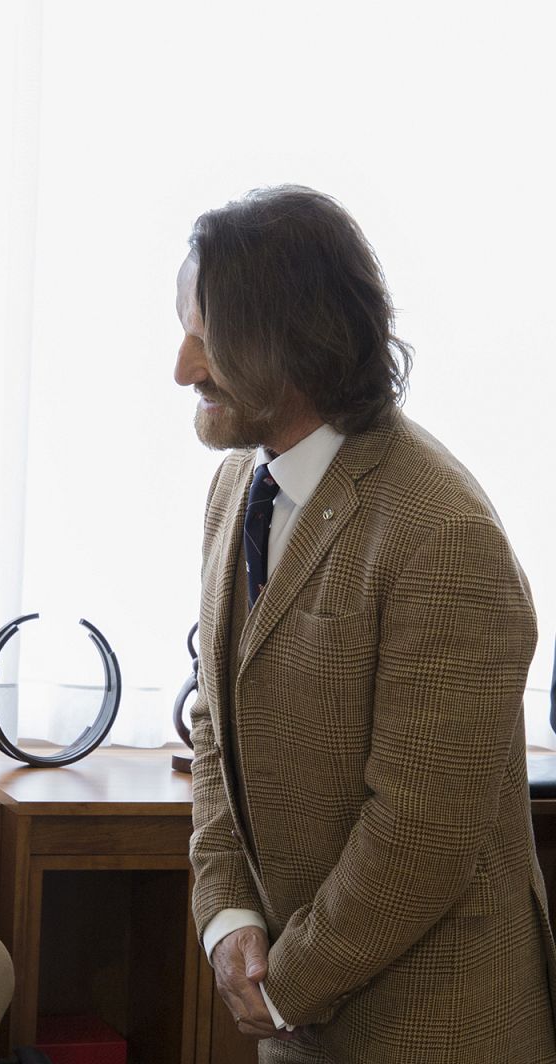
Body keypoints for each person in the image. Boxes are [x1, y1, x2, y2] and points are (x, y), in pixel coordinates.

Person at [177, 185, 556, 1063]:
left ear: (289, 340)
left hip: (435, 1026)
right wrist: (228, 916)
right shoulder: (240, 487)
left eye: (206, 334)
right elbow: (216, 725)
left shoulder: (443, 533)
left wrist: (284, 984)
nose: (184, 365)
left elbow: (421, 834)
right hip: (292, 1008)